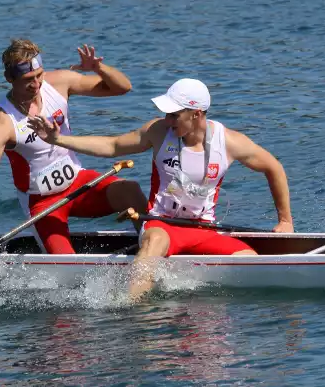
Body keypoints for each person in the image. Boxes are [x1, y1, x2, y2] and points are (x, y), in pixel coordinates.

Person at [27, 77, 294, 300]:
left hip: (203, 229)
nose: (167, 119)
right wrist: (58, 139)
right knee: (154, 241)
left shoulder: (231, 142)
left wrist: (285, 221)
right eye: (167, 113)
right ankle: (133, 310)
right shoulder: (158, 132)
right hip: (161, 224)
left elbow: (274, 168)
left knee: (250, 257)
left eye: (174, 114)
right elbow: (112, 146)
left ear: (197, 114)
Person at [0, 39, 147, 263]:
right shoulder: (2, 121)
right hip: (43, 203)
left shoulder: (59, 82)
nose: (36, 84)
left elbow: (123, 87)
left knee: (131, 191)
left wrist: (98, 68)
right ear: (9, 79)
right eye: (28, 80)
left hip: (79, 183)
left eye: (39, 75)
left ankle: (150, 250)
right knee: (68, 264)